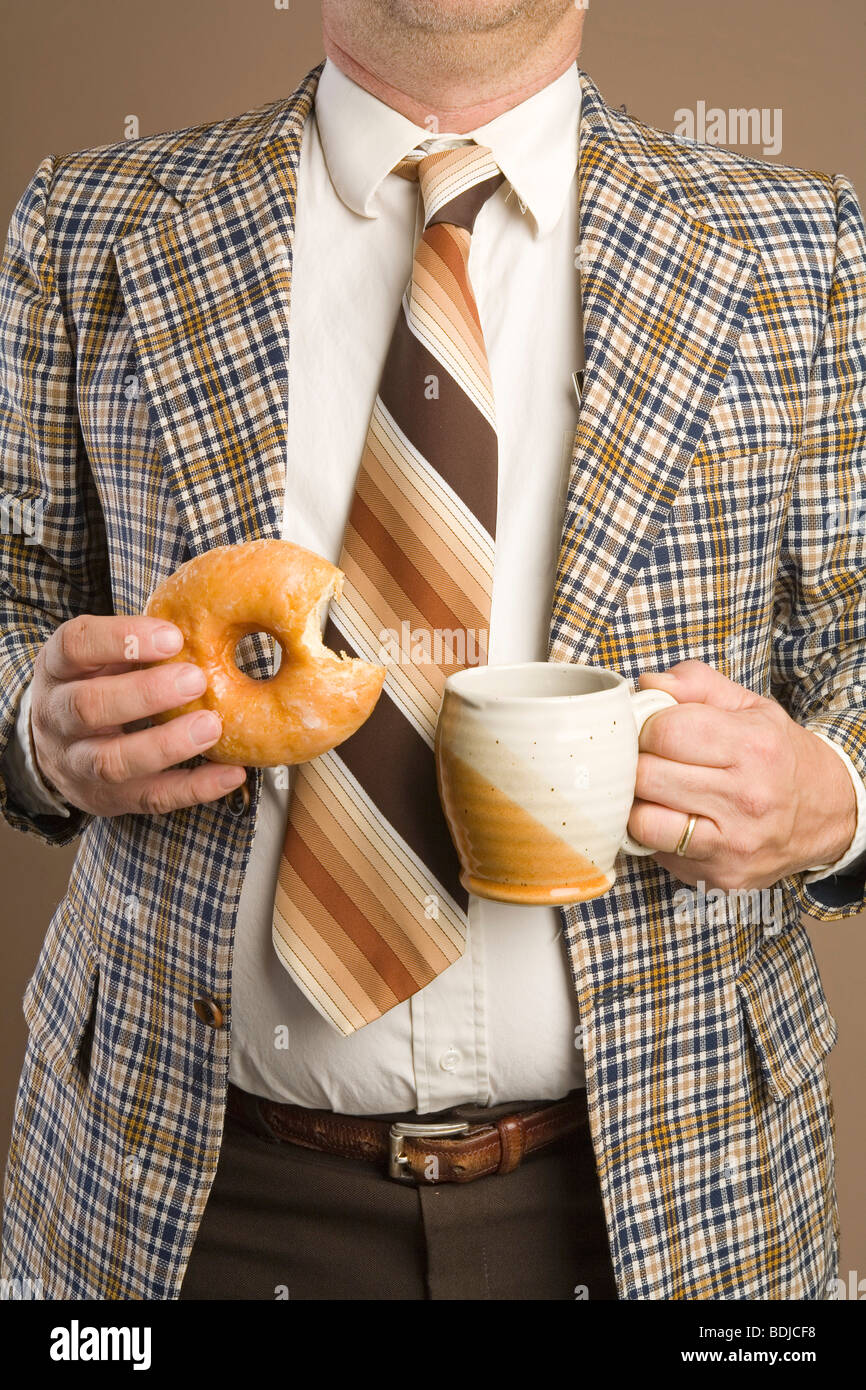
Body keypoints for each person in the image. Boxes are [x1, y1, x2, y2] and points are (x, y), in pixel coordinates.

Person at [1, 0, 864, 1301]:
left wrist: (826, 798)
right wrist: (33, 734)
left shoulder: (803, 247)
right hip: (173, 1198)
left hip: (678, 1200)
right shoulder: (87, 224)